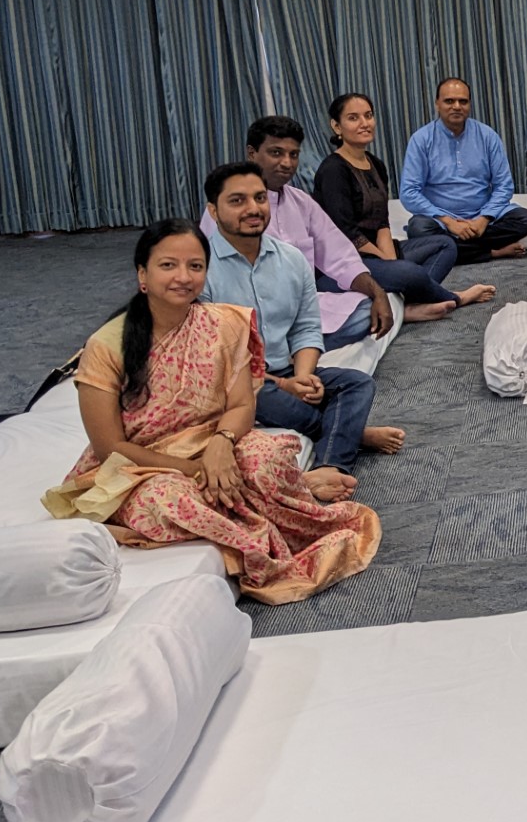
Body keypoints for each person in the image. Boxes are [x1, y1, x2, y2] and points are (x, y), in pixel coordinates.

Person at [44, 218, 380, 605]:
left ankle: (289, 488)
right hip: (140, 466)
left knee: (266, 457)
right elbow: (110, 449)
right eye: (167, 265)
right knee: (173, 501)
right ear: (142, 275)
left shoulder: (224, 324)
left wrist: (222, 444)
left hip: (212, 439)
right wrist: (197, 470)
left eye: (195, 266)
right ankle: (266, 533)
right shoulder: (106, 346)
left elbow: (242, 404)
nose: (183, 277)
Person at [200, 162, 405, 501]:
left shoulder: (291, 259)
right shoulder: (201, 268)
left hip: (285, 369)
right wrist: (283, 386)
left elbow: (307, 325)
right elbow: (215, 358)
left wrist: (303, 377)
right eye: (237, 201)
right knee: (261, 395)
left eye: (259, 198)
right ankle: (349, 436)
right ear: (213, 210)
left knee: (357, 383)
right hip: (236, 381)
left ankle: (329, 466)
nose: (253, 208)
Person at [205, 115, 426, 351]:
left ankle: (294, 348)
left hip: (303, 311)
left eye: (293, 154)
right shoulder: (226, 212)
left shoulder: (302, 202)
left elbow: (340, 255)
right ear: (252, 153)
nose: (287, 163)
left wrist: (378, 293)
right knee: (406, 273)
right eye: (276, 153)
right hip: (249, 317)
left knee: (366, 308)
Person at [313, 93, 495, 312]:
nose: (364, 123)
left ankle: (408, 304)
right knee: (409, 272)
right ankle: (455, 298)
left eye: (368, 116)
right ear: (337, 126)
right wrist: (390, 264)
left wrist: (390, 261)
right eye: (353, 118)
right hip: (346, 262)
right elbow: (347, 233)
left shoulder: (376, 164)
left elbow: (382, 222)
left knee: (445, 245)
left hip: (378, 254)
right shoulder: (333, 170)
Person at [399, 78, 527, 263]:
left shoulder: (487, 136)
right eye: (449, 101)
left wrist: (483, 219)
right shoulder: (421, 139)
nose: (456, 106)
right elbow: (409, 192)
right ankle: (492, 252)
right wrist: (449, 222)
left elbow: (504, 186)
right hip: (441, 220)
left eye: (463, 101)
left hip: (482, 217)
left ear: (470, 104)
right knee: (419, 229)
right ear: (437, 104)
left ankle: (452, 248)